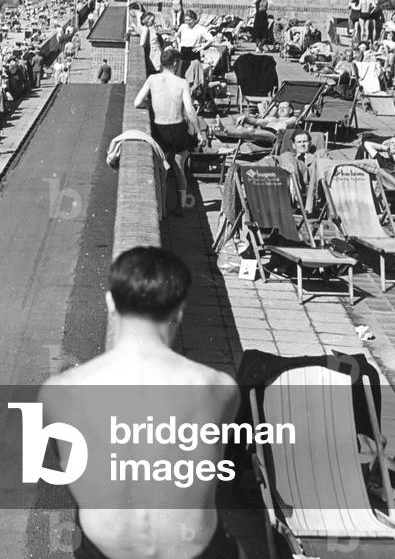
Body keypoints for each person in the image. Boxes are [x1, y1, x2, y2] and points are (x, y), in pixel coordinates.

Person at [40, 248, 242, 559]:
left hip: (104, 550)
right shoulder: (219, 388)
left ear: (110, 302)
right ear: (180, 310)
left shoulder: (59, 393)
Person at [133, 48, 202, 215]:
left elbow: (137, 103)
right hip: (178, 128)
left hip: (159, 129)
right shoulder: (182, 83)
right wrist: (199, 132)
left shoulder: (152, 79)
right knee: (179, 170)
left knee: (162, 172)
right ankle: (182, 206)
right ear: (176, 63)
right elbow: (190, 110)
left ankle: (162, 209)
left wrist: (150, 104)